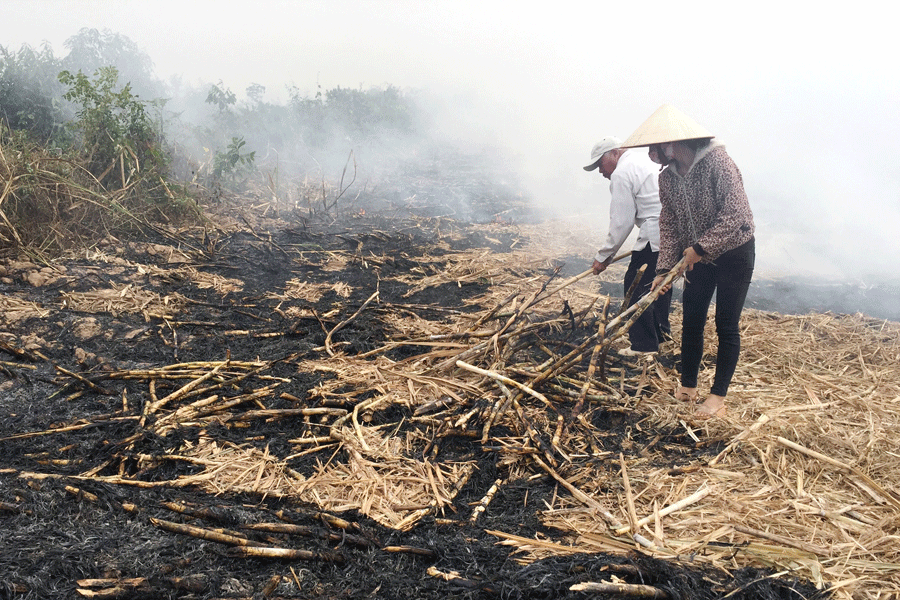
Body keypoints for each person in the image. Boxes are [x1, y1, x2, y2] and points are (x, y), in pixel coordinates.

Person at [619, 105, 756, 418]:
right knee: (692, 319)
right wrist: (663, 270)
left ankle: (718, 396)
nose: (652, 154)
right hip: (700, 258)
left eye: (655, 148)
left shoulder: (718, 163)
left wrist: (700, 247)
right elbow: (669, 223)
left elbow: (735, 214)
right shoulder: (667, 178)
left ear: (673, 145)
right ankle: (688, 386)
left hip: (735, 251)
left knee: (725, 324)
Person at [584, 136, 672, 357]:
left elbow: (621, 221)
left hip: (656, 234)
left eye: (600, 165)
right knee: (659, 284)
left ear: (614, 153)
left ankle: (644, 346)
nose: (600, 172)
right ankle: (662, 339)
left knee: (636, 284)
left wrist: (603, 256)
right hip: (670, 234)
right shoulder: (642, 162)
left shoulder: (623, 172)